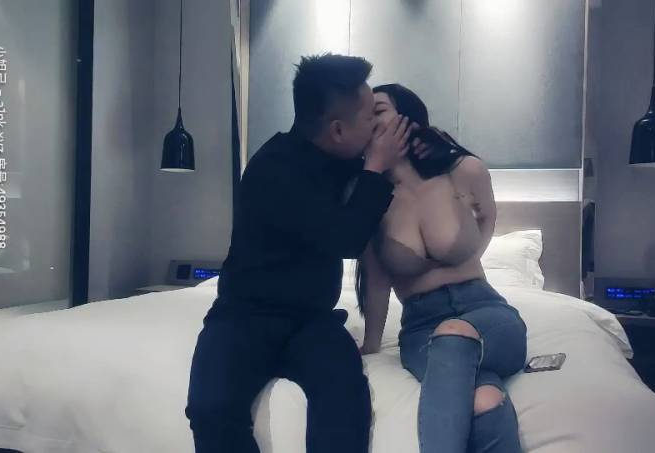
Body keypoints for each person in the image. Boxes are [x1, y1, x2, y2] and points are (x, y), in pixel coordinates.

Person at [184, 55, 416, 453]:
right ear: (338, 130)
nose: (374, 128)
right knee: (209, 409)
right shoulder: (274, 169)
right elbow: (346, 238)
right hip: (245, 315)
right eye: (368, 118)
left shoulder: (342, 159)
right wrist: (376, 167)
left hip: (311, 320)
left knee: (346, 396)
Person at [357, 84, 527, 453]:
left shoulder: (464, 171)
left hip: (488, 313)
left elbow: (486, 221)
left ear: (408, 118)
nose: (370, 120)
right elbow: (376, 280)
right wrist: (371, 345)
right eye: (364, 114)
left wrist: (464, 259)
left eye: (379, 110)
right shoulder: (369, 198)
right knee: (484, 399)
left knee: (454, 333)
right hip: (421, 329)